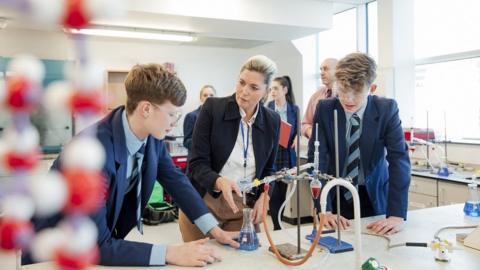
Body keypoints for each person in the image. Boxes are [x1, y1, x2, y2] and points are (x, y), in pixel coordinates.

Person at [23, 64, 239, 267]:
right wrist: (170, 253)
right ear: (146, 109)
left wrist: (214, 230)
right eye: (172, 114)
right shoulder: (92, 155)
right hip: (51, 254)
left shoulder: (150, 135)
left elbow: (175, 180)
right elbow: (96, 246)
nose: (175, 122)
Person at [178, 55, 280, 241]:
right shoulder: (212, 109)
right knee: (204, 260)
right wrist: (218, 181)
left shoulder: (272, 121)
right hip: (204, 202)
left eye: (254, 87)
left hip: (243, 206)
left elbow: (269, 170)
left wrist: (265, 195)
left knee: (244, 260)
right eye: (241, 82)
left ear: (266, 92)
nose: (244, 91)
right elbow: (196, 163)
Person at [308, 53, 411, 235]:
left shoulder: (386, 109)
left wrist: (396, 215)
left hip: (373, 196)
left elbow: (399, 161)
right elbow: (317, 161)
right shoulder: (324, 109)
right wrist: (324, 209)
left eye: (356, 93)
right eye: (343, 91)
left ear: (372, 88)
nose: (348, 99)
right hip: (335, 195)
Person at [266, 76, 299, 230]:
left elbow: (299, 129)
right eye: (271, 89)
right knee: (273, 190)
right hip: (271, 152)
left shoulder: (294, 109)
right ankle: (277, 226)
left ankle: (278, 222)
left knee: (283, 189)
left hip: (287, 153)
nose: (272, 92)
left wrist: (298, 136)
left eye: (276, 88)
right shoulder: (267, 107)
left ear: (285, 90)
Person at [301, 58, 338, 139]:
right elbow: (305, 124)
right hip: (319, 148)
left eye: (326, 69)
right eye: (321, 69)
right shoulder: (315, 97)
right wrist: (313, 134)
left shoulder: (346, 96)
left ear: (337, 70)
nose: (321, 73)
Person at [183, 85, 216, 154]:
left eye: (211, 95)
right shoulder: (191, 116)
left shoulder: (218, 117)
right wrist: (203, 144)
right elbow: (186, 142)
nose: (208, 98)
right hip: (196, 159)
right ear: (200, 98)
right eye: (205, 95)